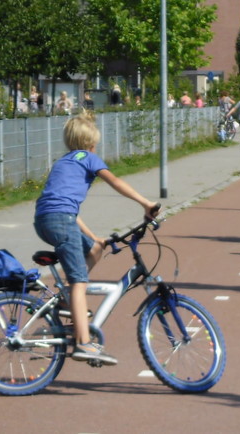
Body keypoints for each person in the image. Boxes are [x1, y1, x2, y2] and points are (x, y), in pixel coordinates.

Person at [34, 113, 159, 365]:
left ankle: (66, 300)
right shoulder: (89, 158)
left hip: (44, 220)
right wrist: (146, 203)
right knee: (79, 281)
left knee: (94, 249)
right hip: (61, 220)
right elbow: (115, 181)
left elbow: (66, 210)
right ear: (92, 143)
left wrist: (93, 238)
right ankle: (83, 344)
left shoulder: (61, 163)